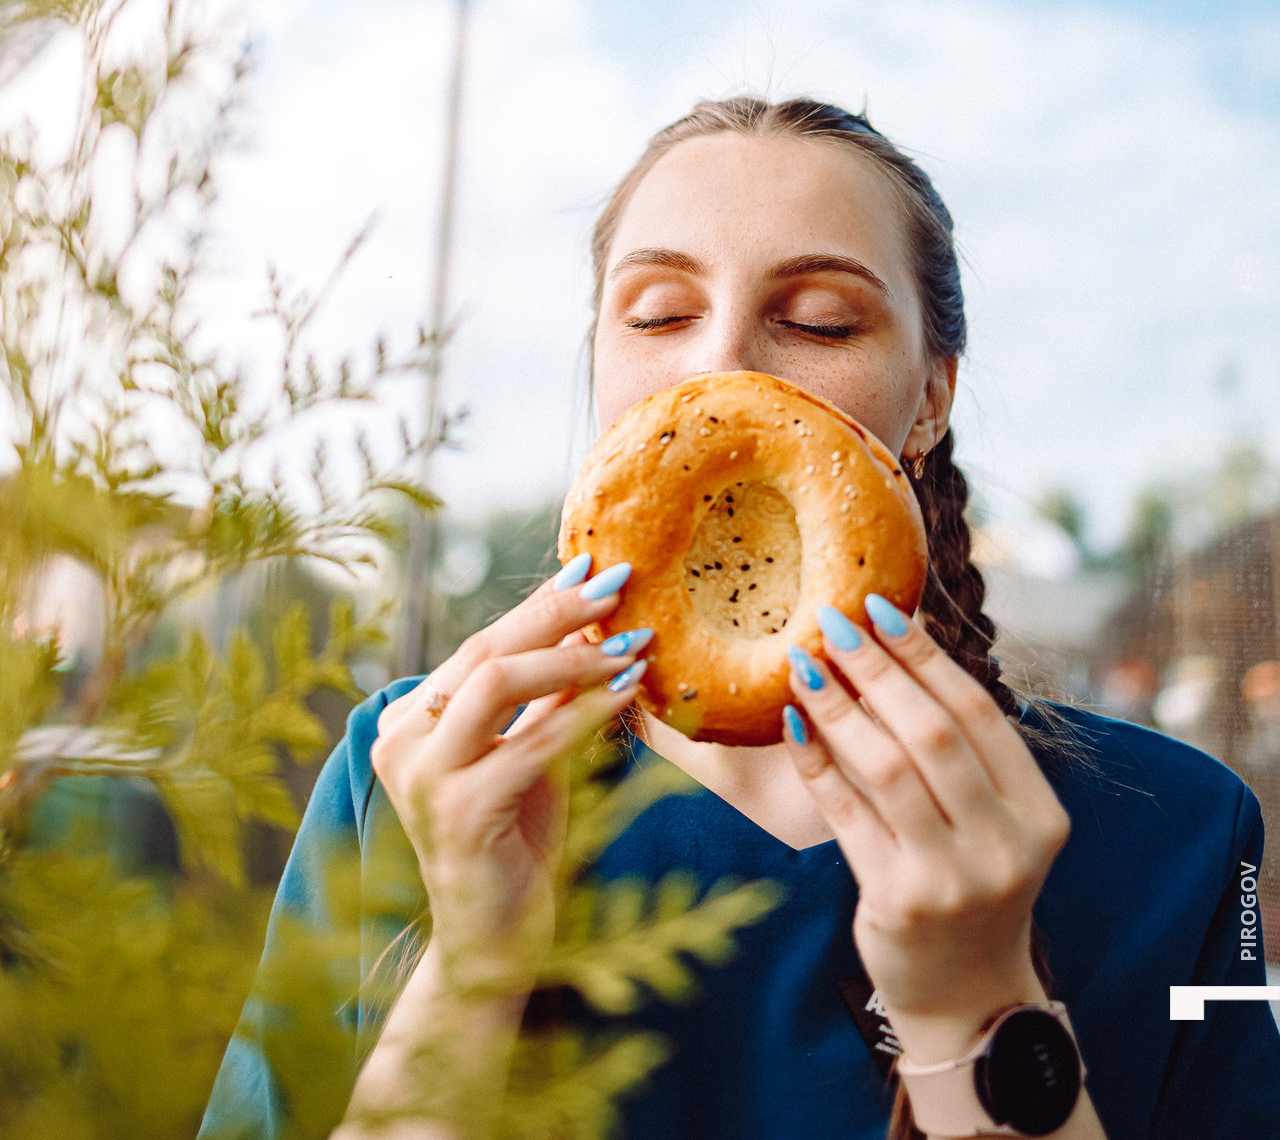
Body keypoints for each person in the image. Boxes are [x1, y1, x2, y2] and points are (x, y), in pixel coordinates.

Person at [201, 97, 1280, 1140]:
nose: (717, 365)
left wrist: (975, 1009)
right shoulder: (413, 773)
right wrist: (472, 972)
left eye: (818, 320)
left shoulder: (1186, 839)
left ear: (929, 399)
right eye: (657, 314)